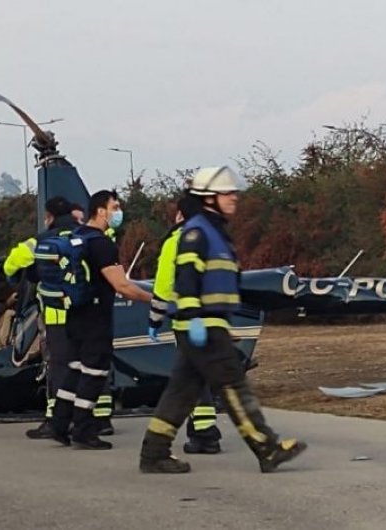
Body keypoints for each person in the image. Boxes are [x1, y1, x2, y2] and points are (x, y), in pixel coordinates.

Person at [139, 167, 307, 473]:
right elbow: (187, 279)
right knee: (233, 385)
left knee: (181, 392)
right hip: (202, 324)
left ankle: (154, 453)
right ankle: (266, 447)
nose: (234, 198)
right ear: (208, 199)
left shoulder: (214, 232)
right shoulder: (197, 233)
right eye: (227, 193)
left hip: (208, 323)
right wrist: (194, 318)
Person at [48, 189, 152, 450]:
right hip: (95, 318)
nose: (118, 212)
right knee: (95, 372)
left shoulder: (77, 237)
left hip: (74, 313)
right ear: (101, 211)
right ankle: (83, 430)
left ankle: (59, 424)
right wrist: (154, 299)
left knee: (75, 369)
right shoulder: (102, 244)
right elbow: (122, 285)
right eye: (115, 207)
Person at [147, 194, 223, 455]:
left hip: (188, 319)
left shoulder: (176, 240)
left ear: (180, 215)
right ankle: (204, 430)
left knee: (190, 377)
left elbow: (163, 285)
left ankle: (204, 434)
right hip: (214, 315)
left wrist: (154, 319)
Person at [2, 196, 77, 439]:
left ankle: (55, 418)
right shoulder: (86, 236)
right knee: (84, 364)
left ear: (49, 217)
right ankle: (88, 418)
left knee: (57, 365)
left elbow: (11, 264)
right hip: (85, 313)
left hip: (56, 315)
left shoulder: (42, 240)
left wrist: (14, 279)